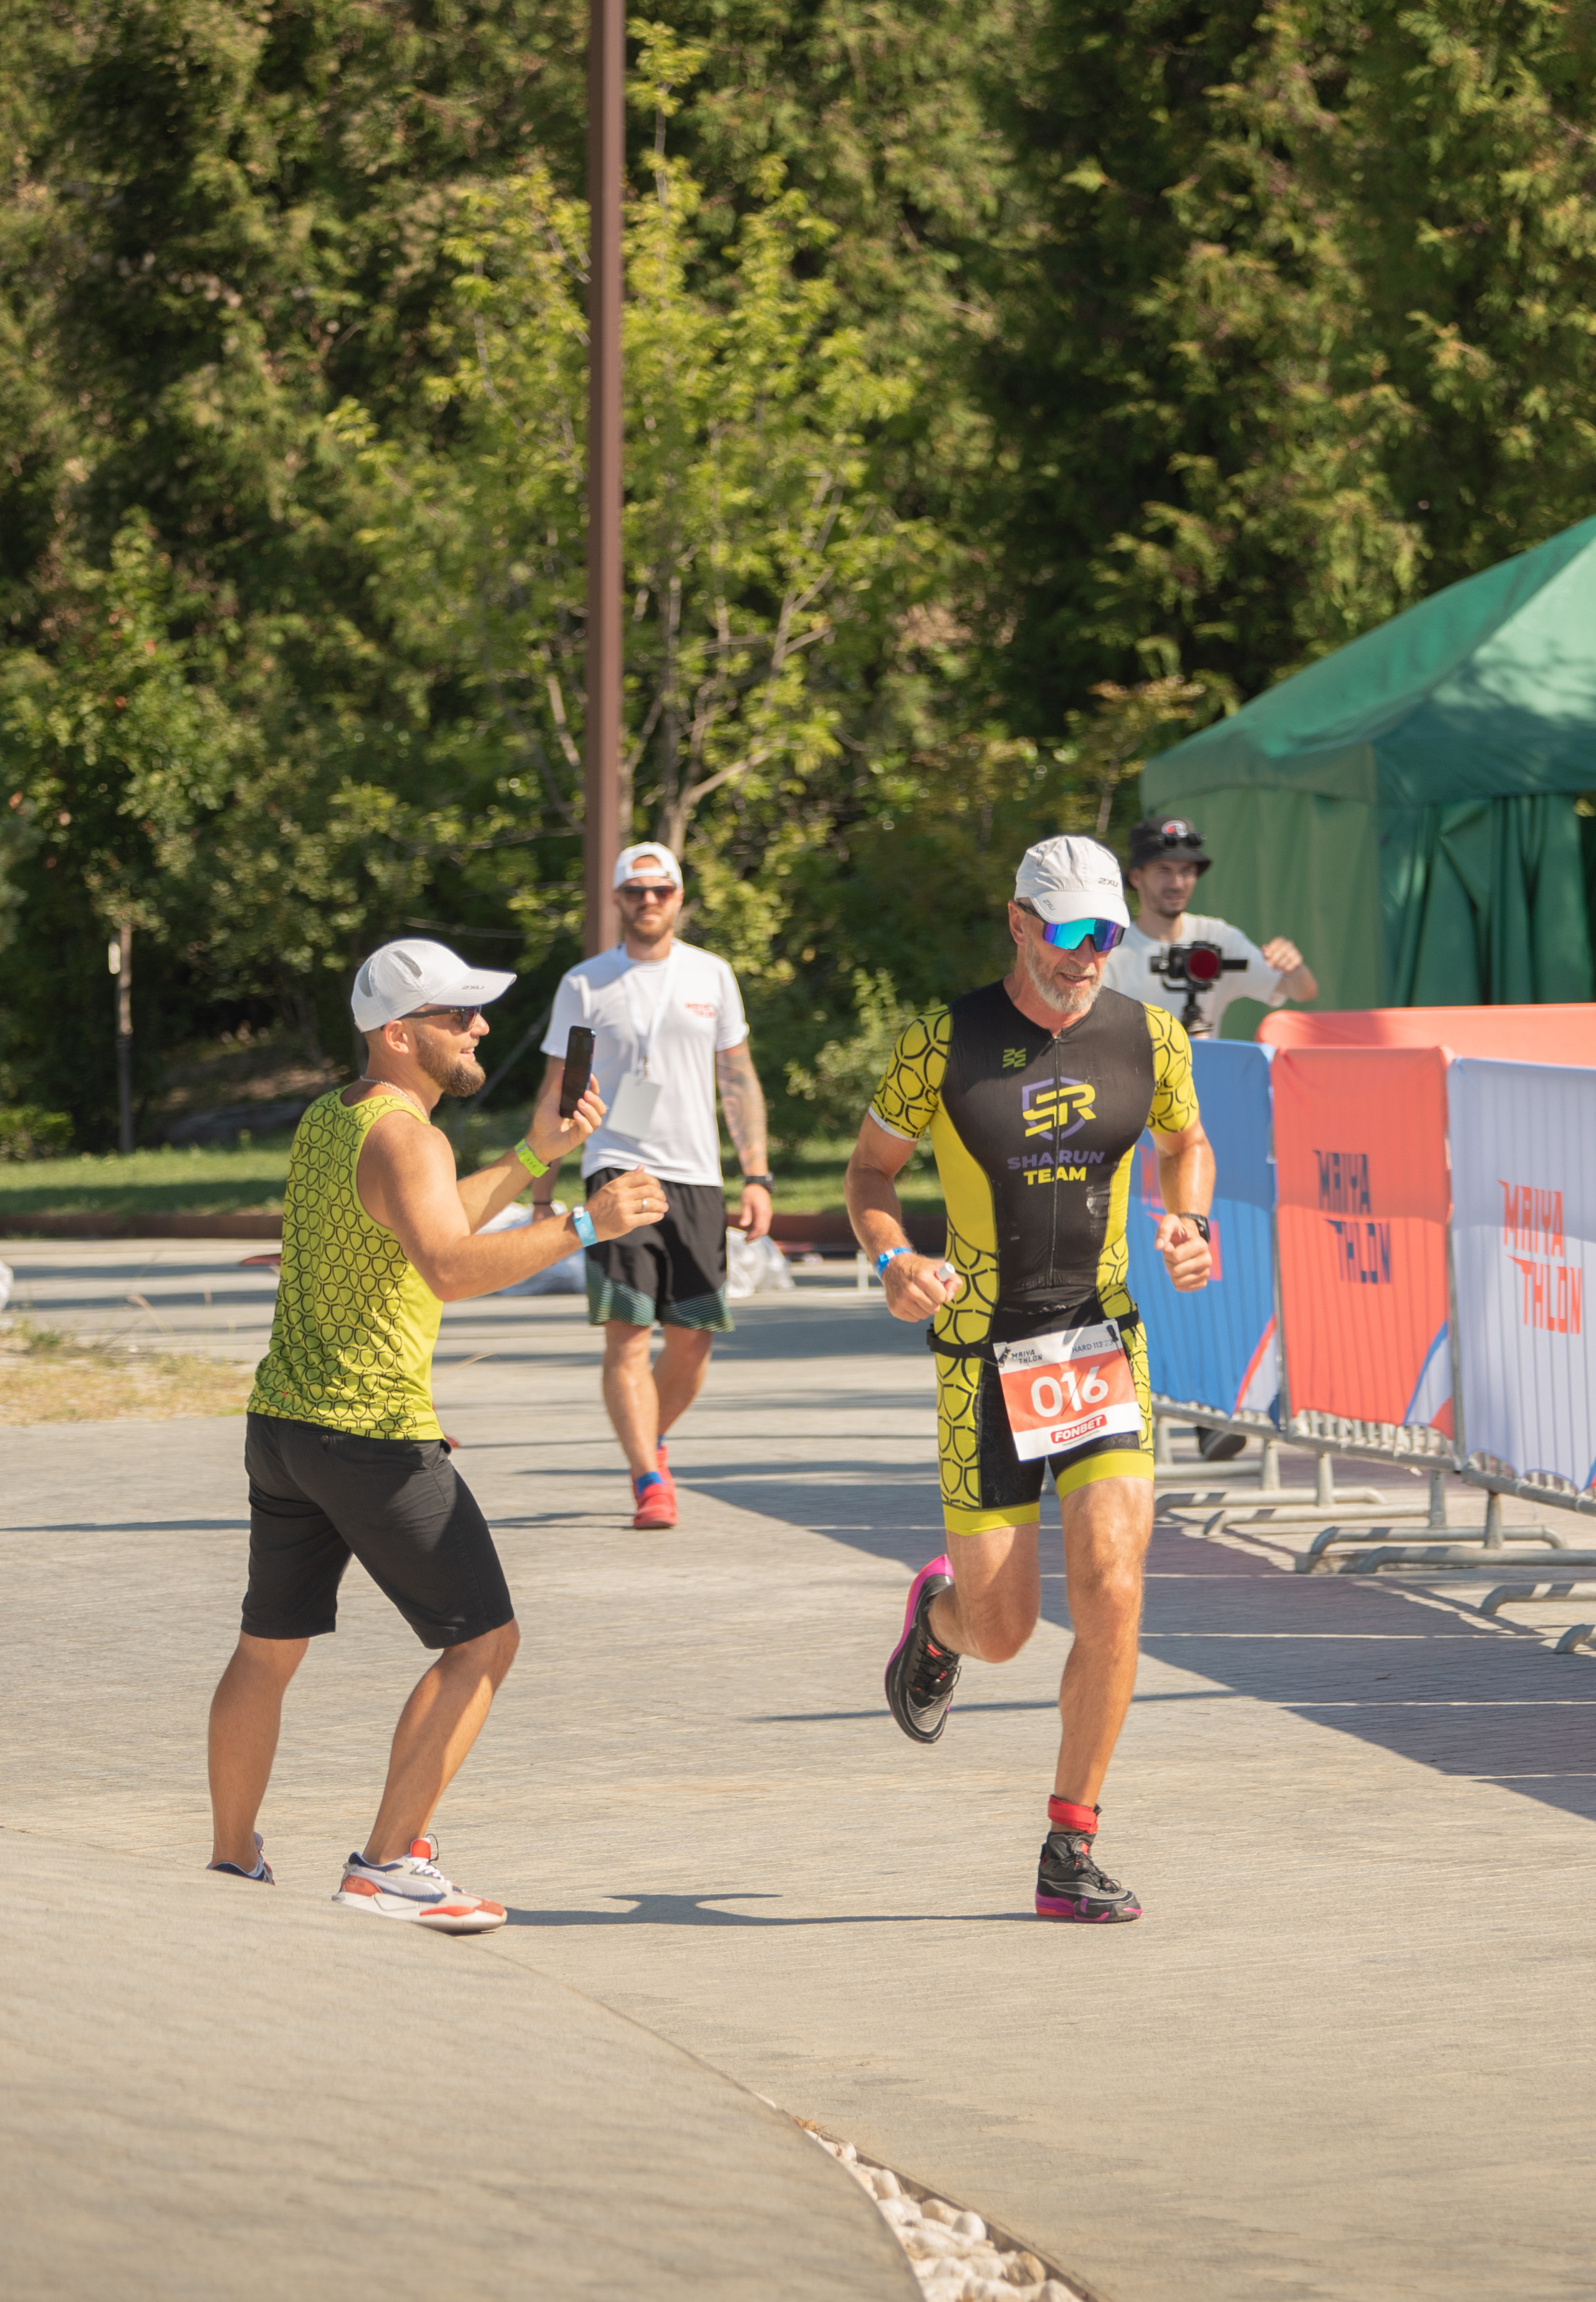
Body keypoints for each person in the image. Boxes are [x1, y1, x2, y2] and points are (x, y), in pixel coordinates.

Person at [207, 937, 664, 1930]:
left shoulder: (334, 1116)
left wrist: (535, 1156)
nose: (480, 1028)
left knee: (266, 1649)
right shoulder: (412, 1139)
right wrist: (589, 1223)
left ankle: (233, 1858)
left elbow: (427, 1221)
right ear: (398, 1033)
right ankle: (384, 1865)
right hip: (372, 1434)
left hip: (286, 1427)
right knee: (484, 1642)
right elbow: (449, 1266)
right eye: (458, 1014)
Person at [845, 835, 1214, 1924]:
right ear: (1017, 923)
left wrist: (1189, 1219)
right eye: (1067, 933)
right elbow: (870, 1171)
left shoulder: (1151, 1037)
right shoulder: (941, 1044)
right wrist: (893, 1258)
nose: (1086, 955)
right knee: (1003, 1629)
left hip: (1100, 1346)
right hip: (981, 1356)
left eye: (1106, 935)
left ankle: (1071, 1842)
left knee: (1114, 1587)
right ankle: (939, 1623)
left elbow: (1186, 1142)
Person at [532, 842, 773, 1531]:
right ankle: (648, 1478)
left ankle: (649, 1435)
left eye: (660, 890)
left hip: (696, 1174)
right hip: (616, 1165)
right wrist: (542, 1189)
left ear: (678, 897)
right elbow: (559, 1089)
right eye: (635, 891)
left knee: (693, 1339)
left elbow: (737, 1077)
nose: (648, 901)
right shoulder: (586, 983)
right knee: (629, 1335)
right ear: (616, 898)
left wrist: (756, 1174)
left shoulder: (712, 974)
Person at [1100, 814, 1317, 1039]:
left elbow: (1303, 992)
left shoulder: (1217, 938)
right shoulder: (1110, 951)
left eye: (1187, 871)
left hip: (1203, 1063)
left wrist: (1294, 969)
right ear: (1136, 877)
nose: (1177, 884)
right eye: (1164, 870)